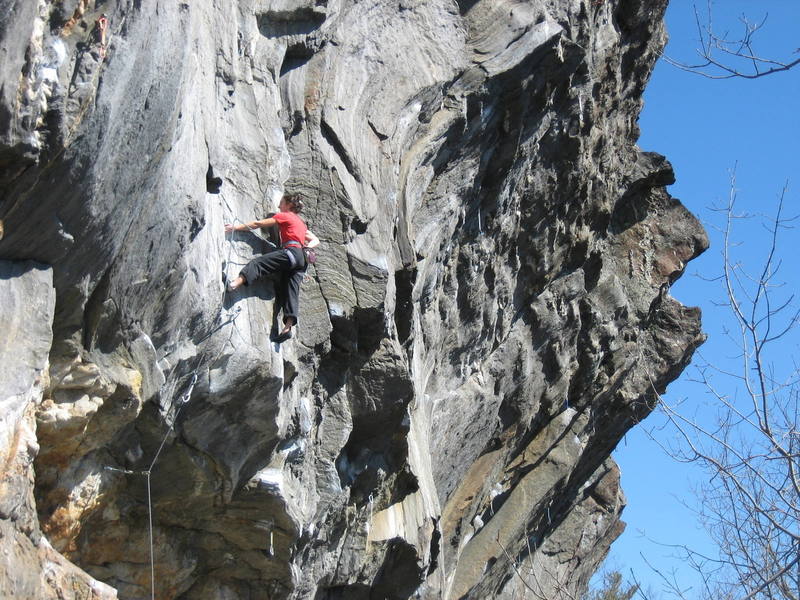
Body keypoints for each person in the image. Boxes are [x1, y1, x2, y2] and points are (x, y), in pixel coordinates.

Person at [224, 194, 320, 343]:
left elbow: (259, 224)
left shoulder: (285, 215)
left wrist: (235, 227)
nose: (279, 206)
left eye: (281, 203)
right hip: (301, 260)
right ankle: (287, 328)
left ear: (288, 204)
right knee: (291, 291)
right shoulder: (301, 224)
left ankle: (234, 284)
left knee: (259, 264)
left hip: (291, 253)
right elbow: (316, 240)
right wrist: (306, 247)